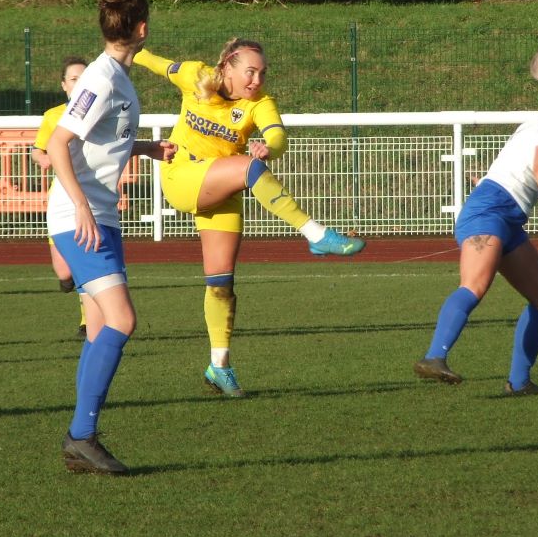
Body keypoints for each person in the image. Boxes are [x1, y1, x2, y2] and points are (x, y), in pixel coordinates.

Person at [133, 38, 365, 398]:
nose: (257, 80)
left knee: (221, 284)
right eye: (250, 71)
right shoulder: (196, 75)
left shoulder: (259, 103)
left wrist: (268, 147)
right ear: (226, 66)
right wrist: (130, 48)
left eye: (262, 73)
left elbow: (278, 136)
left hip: (220, 188)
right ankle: (315, 233)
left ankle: (219, 366)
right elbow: (156, 63)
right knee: (248, 167)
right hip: (182, 177)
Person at [413, 33, 538, 392]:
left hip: (506, 217)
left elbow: (516, 166)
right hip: (489, 212)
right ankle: (434, 357)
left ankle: (520, 382)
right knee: (475, 286)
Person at [47, 0, 176, 475]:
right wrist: (79, 206)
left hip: (100, 216)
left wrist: (144, 149)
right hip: (81, 219)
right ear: (142, 29)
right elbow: (60, 144)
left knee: (101, 327)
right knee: (123, 321)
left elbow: (97, 143)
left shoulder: (113, 76)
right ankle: (82, 435)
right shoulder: (101, 79)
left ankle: (81, 437)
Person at [31, 55, 89, 339]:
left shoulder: (99, 112)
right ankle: (69, 282)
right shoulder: (53, 116)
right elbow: (38, 149)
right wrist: (42, 158)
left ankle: (87, 320)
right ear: (64, 85)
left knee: (83, 262)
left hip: (91, 195)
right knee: (64, 272)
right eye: (74, 79)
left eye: (84, 78)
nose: (79, 84)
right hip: (61, 198)